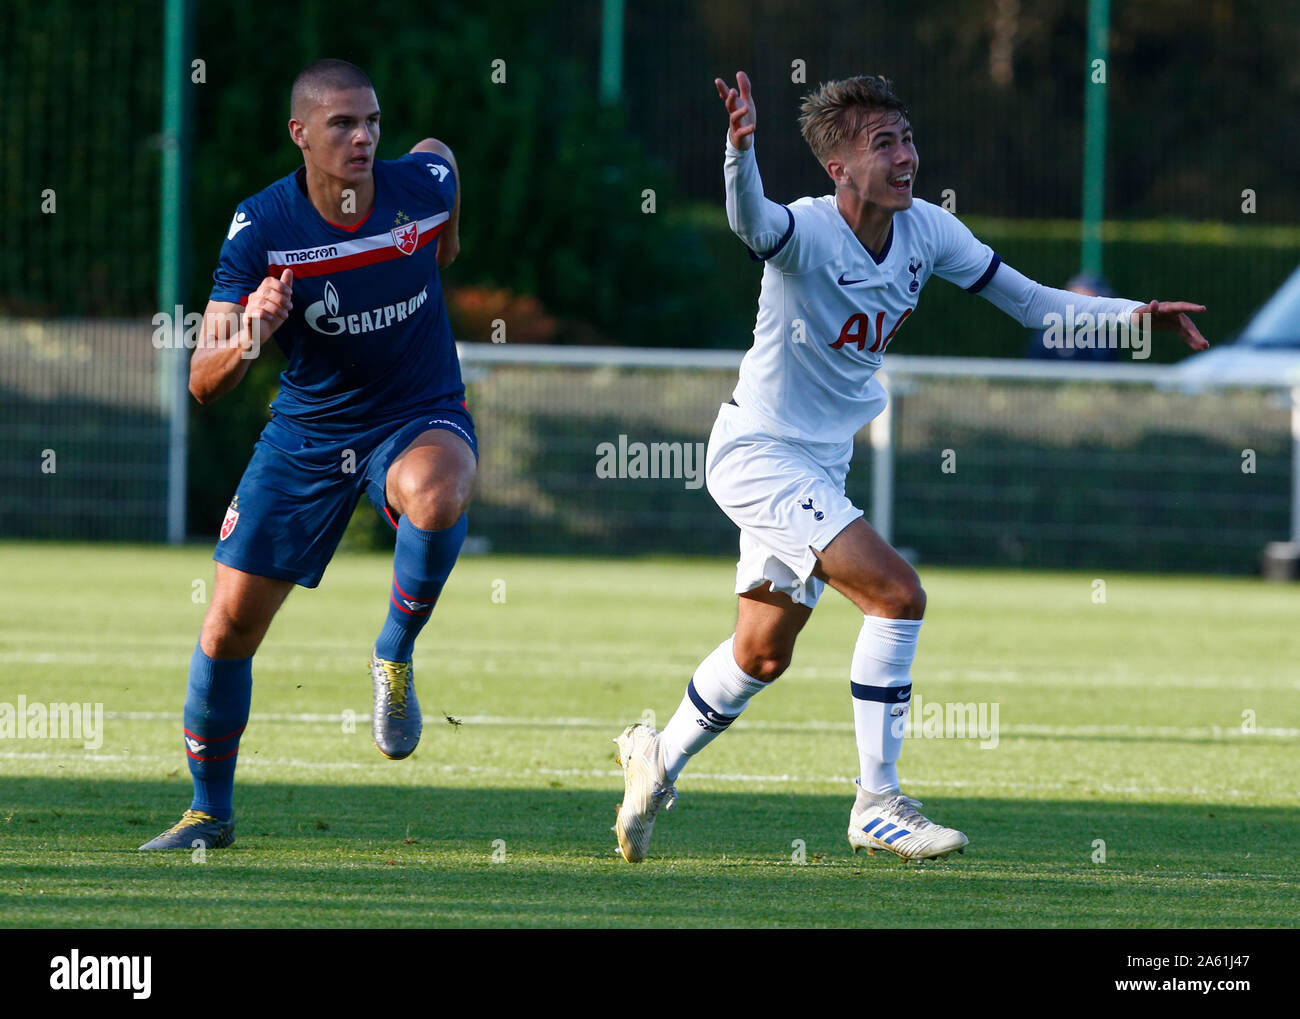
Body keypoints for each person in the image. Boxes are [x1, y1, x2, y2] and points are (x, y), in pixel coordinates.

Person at [613, 72, 1208, 863]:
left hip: (820, 464)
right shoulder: (808, 232)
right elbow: (751, 220)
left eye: (908, 138)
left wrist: (1134, 319)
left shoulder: (928, 230)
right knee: (898, 594)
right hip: (758, 452)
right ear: (839, 167)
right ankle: (876, 801)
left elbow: (1033, 304)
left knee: (762, 651)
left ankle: (656, 757)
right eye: (882, 144)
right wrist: (740, 148)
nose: (906, 157)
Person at [140, 59, 476, 850]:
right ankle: (207, 814)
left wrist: (445, 240)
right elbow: (202, 379)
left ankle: (392, 654)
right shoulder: (263, 229)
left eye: (371, 122)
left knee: (437, 489)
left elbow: (443, 167)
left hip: (416, 411)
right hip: (309, 433)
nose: (363, 138)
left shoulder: (420, 186)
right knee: (227, 630)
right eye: (341, 125)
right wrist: (253, 329)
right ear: (301, 135)